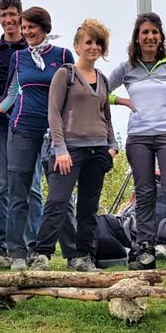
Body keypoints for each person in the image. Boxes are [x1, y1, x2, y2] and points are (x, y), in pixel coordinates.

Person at [108, 12, 166, 274]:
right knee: (144, 193)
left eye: (154, 32)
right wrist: (119, 101)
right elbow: (98, 90)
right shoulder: (127, 68)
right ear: (137, 37)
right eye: (144, 32)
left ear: (161, 37)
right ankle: (144, 248)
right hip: (139, 137)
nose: (150, 36)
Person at [39, 19, 117, 273]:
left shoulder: (103, 79)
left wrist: (112, 145)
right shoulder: (66, 74)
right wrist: (60, 149)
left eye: (98, 43)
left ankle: (83, 256)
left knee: (88, 206)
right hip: (69, 150)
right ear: (77, 46)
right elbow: (53, 113)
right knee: (57, 202)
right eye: (89, 42)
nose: (93, 47)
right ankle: (42, 254)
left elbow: (106, 115)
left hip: (98, 149)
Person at [0, 6, 74, 271]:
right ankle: (17, 252)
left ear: (45, 28)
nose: (27, 31)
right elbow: (12, 92)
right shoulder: (19, 58)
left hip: (55, 131)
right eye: (24, 27)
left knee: (59, 193)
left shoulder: (63, 55)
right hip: (22, 128)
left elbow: (73, 92)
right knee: (18, 191)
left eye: (31, 26)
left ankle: (72, 252)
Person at [0, 0, 44, 258]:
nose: (9, 20)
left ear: (20, 17)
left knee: (32, 186)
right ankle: (1, 244)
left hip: (28, 124)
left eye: (13, 15)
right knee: (1, 186)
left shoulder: (32, 48)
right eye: (4, 15)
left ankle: (33, 243)